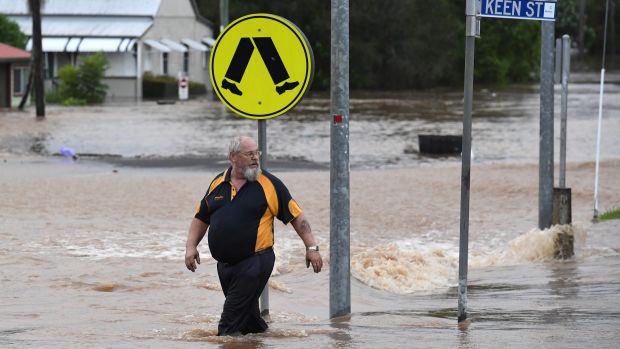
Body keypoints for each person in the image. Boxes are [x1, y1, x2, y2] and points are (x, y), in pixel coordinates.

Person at [184, 135, 323, 336]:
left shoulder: (269, 184)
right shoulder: (218, 182)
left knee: (228, 325)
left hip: (255, 262)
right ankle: (269, 339)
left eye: (257, 153)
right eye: (249, 153)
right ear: (233, 157)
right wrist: (191, 247)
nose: (255, 158)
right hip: (225, 266)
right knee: (249, 322)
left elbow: (297, 216)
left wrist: (312, 248)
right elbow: (201, 217)